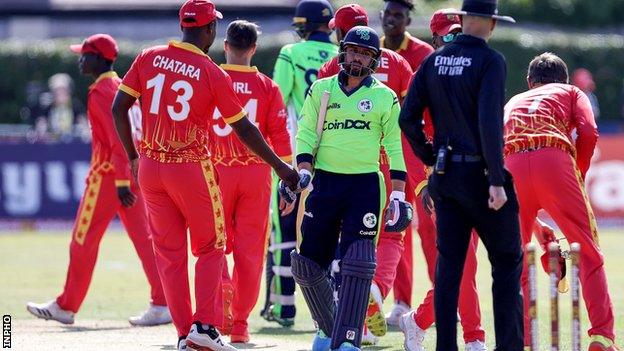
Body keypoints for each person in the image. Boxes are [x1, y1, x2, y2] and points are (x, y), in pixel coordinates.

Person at [111, 1, 299, 350]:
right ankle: (207, 328)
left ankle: (184, 334)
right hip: (192, 167)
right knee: (212, 247)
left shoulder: (148, 56)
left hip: (151, 166)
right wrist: (282, 168)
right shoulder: (211, 71)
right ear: (211, 30)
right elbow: (244, 128)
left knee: (169, 254)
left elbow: (118, 107)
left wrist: (134, 156)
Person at [399, 1, 525, 350]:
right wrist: (497, 180)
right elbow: (489, 121)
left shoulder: (431, 61)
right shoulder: (490, 60)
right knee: (506, 265)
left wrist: (431, 154)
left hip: (445, 176)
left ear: (464, 20)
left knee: (449, 268)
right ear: (491, 24)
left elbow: (407, 119)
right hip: (481, 176)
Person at [26, 33, 170, 328]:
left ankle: (66, 306)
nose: (80, 60)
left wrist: (118, 184)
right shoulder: (120, 85)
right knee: (145, 240)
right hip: (133, 172)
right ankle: (163, 302)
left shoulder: (102, 90)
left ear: (99, 59)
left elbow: (119, 140)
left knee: (83, 239)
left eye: (85, 55)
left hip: (108, 177)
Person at [291, 25, 411, 351]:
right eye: (354, 51)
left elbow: (395, 146)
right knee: (309, 263)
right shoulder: (321, 89)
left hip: (365, 187)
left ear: (374, 59)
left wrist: (398, 193)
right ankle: (328, 329)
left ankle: (347, 339)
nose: (358, 57)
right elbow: (305, 133)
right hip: (325, 183)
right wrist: (302, 170)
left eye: (365, 53)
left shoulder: (384, 97)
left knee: (357, 264)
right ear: (343, 52)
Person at [504, 52, 618, 351]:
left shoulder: (513, 100)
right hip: (554, 159)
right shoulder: (571, 91)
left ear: (529, 82)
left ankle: (523, 339)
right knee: (587, 251)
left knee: (515, 258)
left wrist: (536, 222)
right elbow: (589, 132)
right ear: (564, 80)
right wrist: (577, 172)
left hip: (510, 165)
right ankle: (602, 337)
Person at [398, 10, 487, 351]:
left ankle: (418, 321)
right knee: (464, 259)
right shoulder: (425, 76)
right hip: (442, 182)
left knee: (460, 262)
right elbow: (410, 135)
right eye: (449, 37)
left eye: (461, 34)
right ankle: (474, 337)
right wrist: (422, 185)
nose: (457, 42)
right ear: (434, 41)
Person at [208, 20, 292, 344]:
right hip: (257, 174)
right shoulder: (268, 87)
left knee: (212, 244)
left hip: (215, 171)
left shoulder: (211, 77)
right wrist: (287, 182)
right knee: (251, 253)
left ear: (225, 46)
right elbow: (281, 142)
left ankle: (220, 301)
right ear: (254, 49)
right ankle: (241, 325)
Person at [261, 0, 338, 327]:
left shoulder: (290, 53)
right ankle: (337, 306)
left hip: (295, 154)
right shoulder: (342, 55)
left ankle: (284, 307)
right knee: (333, 230)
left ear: (302, 25)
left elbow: (276, 101)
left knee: (284, 229)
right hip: (335, 156)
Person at [378, 0, 437, 326]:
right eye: (388, 14)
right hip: (385, 153)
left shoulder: (422, 52)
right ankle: (401, 301)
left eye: (398, 15)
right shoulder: (373, 51)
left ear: (408, 19)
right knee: (396, 221)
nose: (392, 20)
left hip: (419, 149)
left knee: (429, 227)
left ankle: (441, 295)